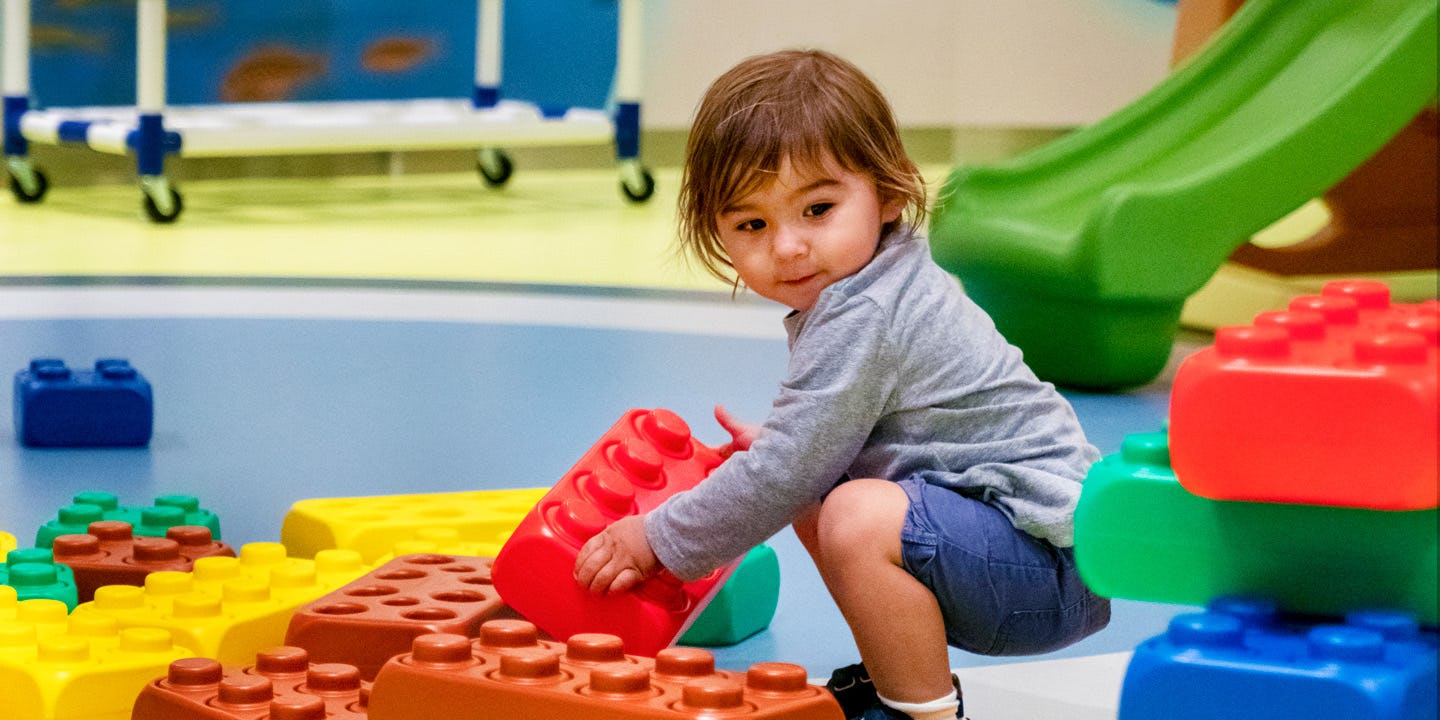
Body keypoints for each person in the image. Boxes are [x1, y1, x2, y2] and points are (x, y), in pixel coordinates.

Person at [573, 48, 1110, 720]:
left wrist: (656, 538)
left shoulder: (867, 309)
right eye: (752, 225)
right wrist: (792, 453)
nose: (788, 246)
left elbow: (786, 472)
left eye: (817, 209)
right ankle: (897, 676)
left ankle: (921, 712)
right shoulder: (869, 282)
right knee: (819, 492)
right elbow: (818, 459)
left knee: (844, 510)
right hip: (1018, 553)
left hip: (1049, 568)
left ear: (888, 194)